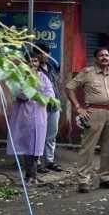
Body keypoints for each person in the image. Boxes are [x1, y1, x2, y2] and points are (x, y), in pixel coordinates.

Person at [65, 47, 109, 193]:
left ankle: (105, 178)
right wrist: (78, 107)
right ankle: (83, 180)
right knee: (88, 147)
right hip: (94, 112)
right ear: (96, 58)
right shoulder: (87, 73)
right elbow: (69, 87)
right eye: (101, 55)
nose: (105, 57)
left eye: (107, 55)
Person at [7, 53, 54, 187]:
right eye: (31, 61)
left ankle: (34, 175)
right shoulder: (19, 77)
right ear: (25, 63)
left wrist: (41, 97)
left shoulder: (43, 77)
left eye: (36, 61)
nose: (33, 63)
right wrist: (36, 95)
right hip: (23, 115)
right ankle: (29, 175)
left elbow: (50, 93)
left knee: (37, 145)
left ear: (38, 63)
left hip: (39, 114)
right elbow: (20, 94)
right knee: (26, 145)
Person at [35, 43, 63, 175]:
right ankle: (37, 162)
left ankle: (50, 161)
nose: (43, 55)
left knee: (52, 134)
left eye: (45, 53)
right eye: (40, 53)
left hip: (54, 105)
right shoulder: (33, 68)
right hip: (40, 105)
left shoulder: (52, 66)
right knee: (38, 134)